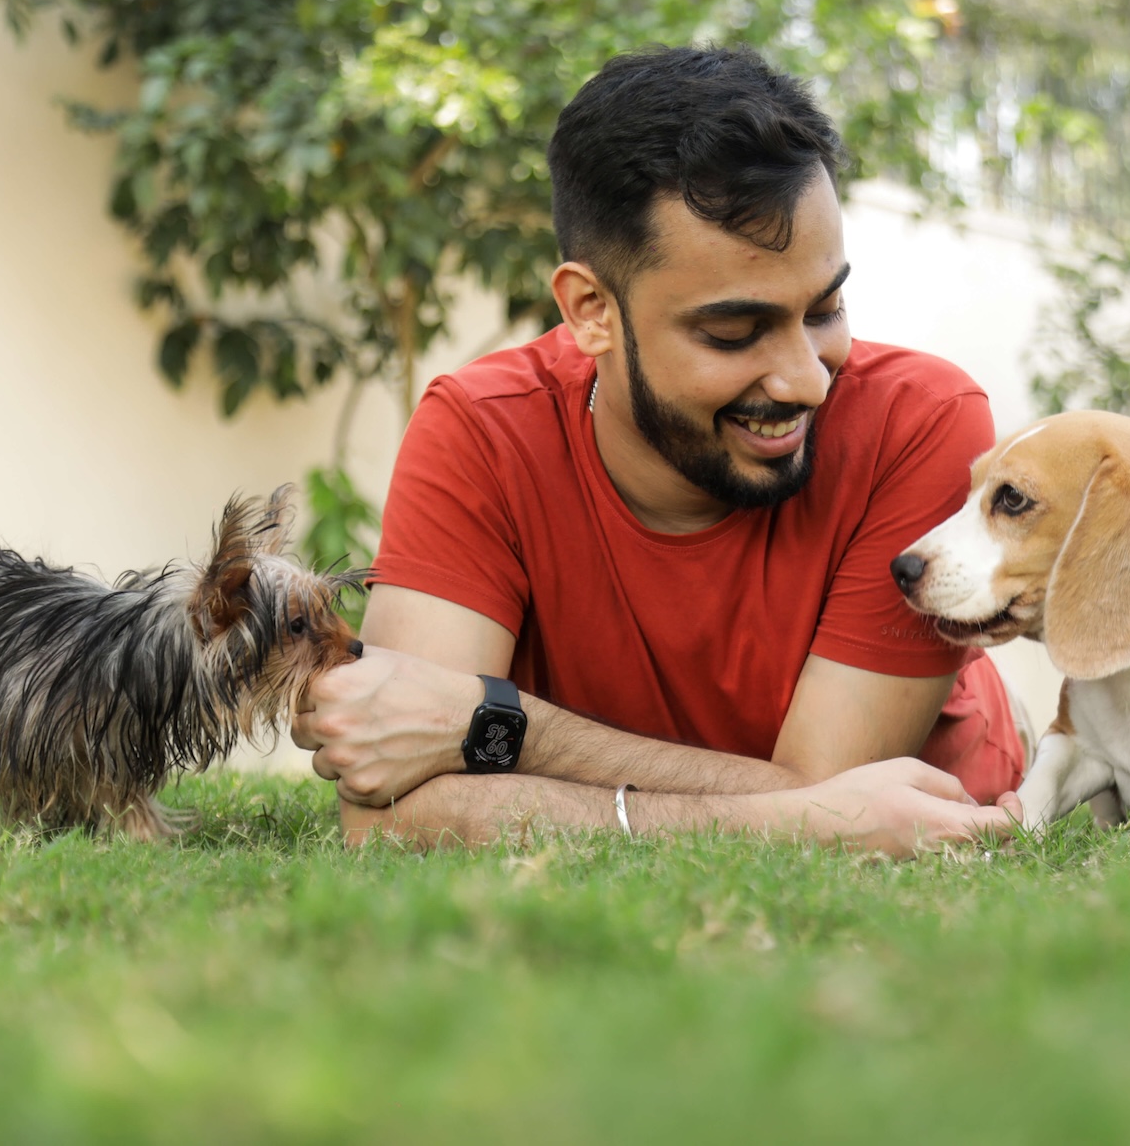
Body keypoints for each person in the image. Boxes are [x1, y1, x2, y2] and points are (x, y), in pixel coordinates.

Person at [293, 45, 1027, 858]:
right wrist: (800, 815)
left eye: (824, 310)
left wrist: (499, 726)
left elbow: (836, 789)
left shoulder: (920, 422)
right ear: (591, 310)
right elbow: (387, 815)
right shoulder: (484, 431)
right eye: (732, 332)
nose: (805, 382)